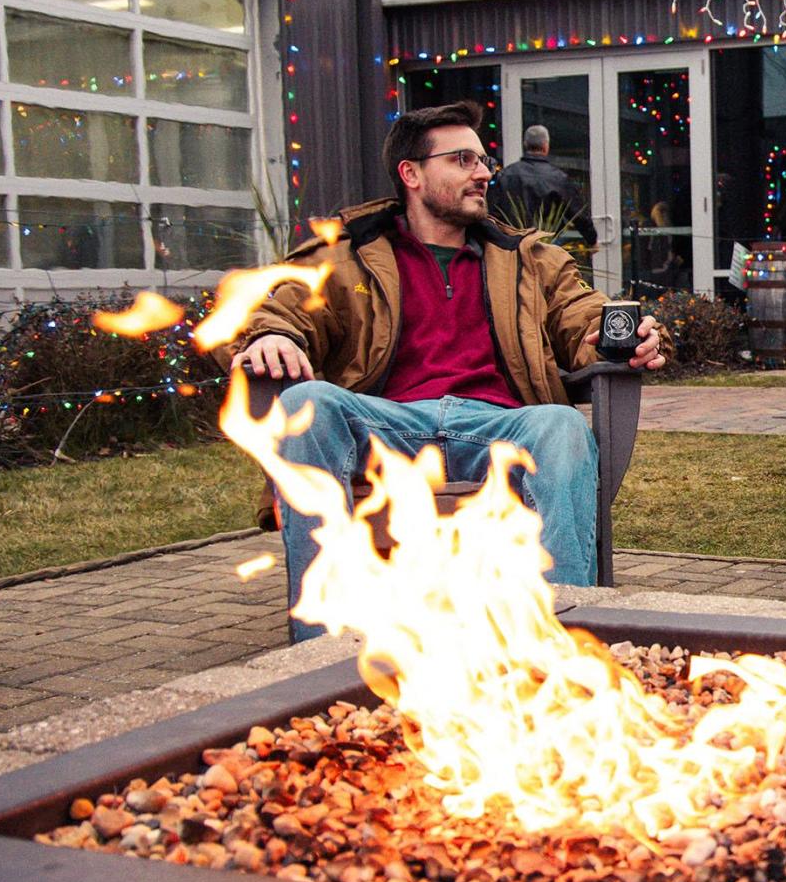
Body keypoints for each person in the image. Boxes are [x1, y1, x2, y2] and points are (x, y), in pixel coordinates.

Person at [228, 101, 667, 641]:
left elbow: (582, 316)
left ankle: (568, 640)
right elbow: (282, 304)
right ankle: (318, 652)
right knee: (304, 405)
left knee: (562, 424)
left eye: (483, 160)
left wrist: (622, 336)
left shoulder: (527, 259)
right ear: (411, 174)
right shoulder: (347, 255)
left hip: (499, 428)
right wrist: (272, 333)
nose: (483, 173)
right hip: (387, 427)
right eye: (462, 160)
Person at [490, 124, 599, 247]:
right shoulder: (557, 178)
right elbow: (577, 213)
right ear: (546, 145)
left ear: (525, 145)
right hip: (546, 244)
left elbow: (494, 213)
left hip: (512, 245)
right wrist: (592, 239)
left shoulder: (506, 175)